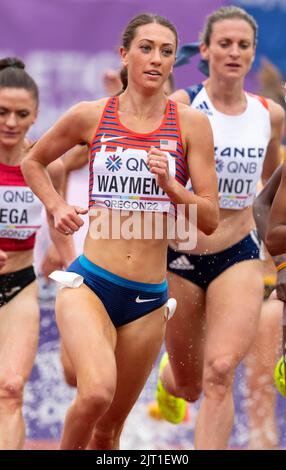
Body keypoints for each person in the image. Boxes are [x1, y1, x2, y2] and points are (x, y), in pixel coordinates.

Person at [21, 13, 219, 450]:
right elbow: (32, 161)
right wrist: (55, 207)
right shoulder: (90, 115)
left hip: (148, 300)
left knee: (109, 430)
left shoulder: (191, 125)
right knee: (94, 393)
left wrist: (171, 186)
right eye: (146, 48)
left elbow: (209, 217)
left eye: (166, 51)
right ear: (124, 54)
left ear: (173, 62)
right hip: (90, 283)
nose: (156, 59)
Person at [154, 5, 285, 450]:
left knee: (221, 369)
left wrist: (278, 255)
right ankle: (166, 379)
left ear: (252, 54)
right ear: (205, 49)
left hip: (239, 252)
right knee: (189, 383)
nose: (234, 52)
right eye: (224, 43)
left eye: (243, 45)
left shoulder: (270, 115)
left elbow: (272, 187)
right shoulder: (182, 106)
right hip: (182, 252)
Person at [0, 57, 76, 449]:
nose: (11, 122)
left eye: (21, 114)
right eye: (2, 112)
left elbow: (55, 215)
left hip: (19, 285)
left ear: (36, 116)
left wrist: (68, 259)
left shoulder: (50, 167)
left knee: (11, 388)